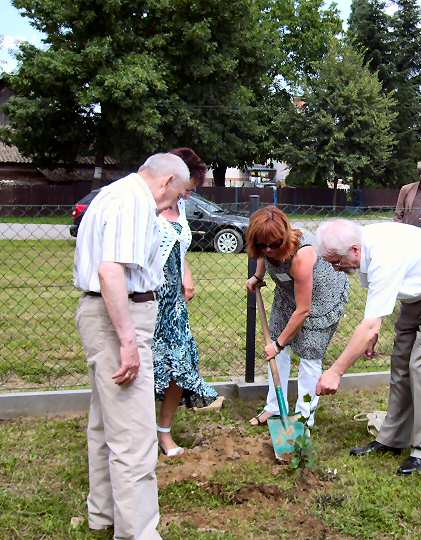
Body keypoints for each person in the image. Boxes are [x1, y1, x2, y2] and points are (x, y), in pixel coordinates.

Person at [74, 153, 192, 538]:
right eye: (179, 194)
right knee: (135, 435)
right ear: (167, 180)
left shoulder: (115, 193)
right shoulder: (133, 201)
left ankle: (104, 514)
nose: (177, 203)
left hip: (109, 314)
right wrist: (128, 341)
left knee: (106, 423)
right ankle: (138, 532)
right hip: (119, 318)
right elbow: (111, 272)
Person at [314, 220, 421, 476]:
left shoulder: (383, 256)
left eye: (336, 262)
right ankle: (392, 439)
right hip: (415, 295)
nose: (336, 269)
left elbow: (369, 323)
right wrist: (373, 329)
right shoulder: (365, 246)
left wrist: (336, 371)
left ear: (354, 250)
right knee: (400, 365)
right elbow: (377, 306)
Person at [245, 206, 349, 428]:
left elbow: (303, 310)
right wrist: (257, 275)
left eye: (274, 245)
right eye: (263, 245)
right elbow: (264, 254)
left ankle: (303, 419)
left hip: (321, 296)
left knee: (309, 354)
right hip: (288, 291)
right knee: (276, 353)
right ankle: (273, 408)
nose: (269, 250)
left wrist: (280, 343)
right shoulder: (266, 246)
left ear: (282, 239)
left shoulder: (302, 255)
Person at [153, 148, 221, 458]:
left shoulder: (178, 206)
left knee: (181, 366)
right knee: (149, 370)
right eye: (186, 189)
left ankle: (164, 433)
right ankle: (139, 434)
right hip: (149, 300)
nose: (187, 196)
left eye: (191, 191)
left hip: (175, 306)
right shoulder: (149, 204)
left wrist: (187, 273)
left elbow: (179, 247)